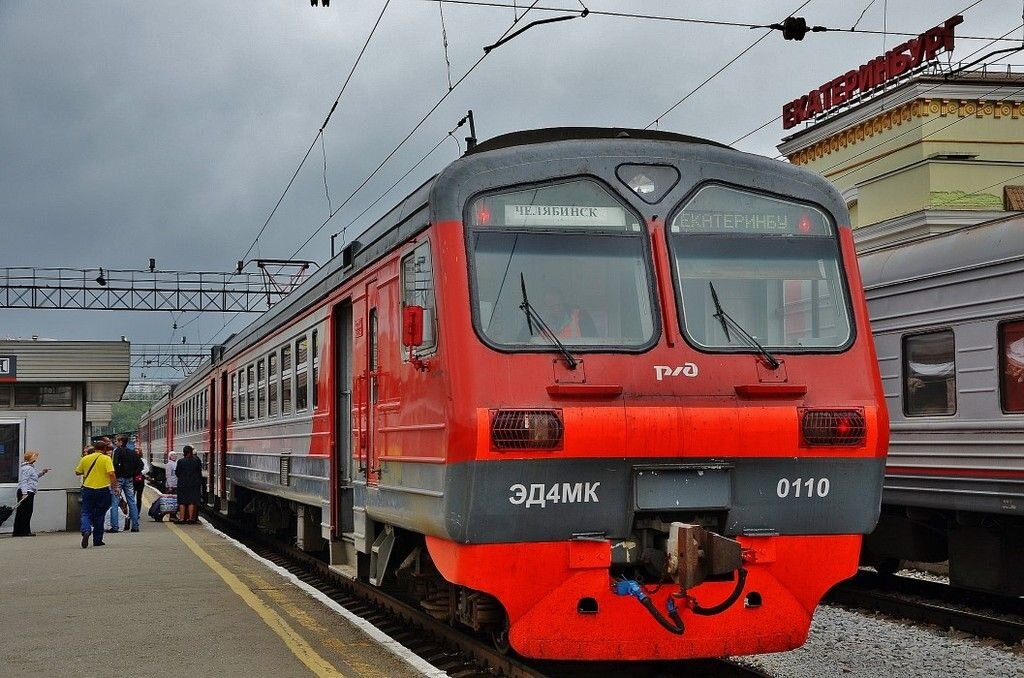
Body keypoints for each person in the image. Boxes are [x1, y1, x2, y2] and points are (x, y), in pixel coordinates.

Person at [75, 444, 119, 548]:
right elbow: (111, 473)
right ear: (104, 449)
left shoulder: (85, 458)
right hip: (103, 490)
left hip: (88, 489)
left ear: (94, 449)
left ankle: (86, 530)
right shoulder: (106, 459)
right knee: (100, 514)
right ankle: (97, 540)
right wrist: (115, 486)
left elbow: (77, 472)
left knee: (85, 512)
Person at [13, 451, 49, 537]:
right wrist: (24, 493)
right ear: (30, 458)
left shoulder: (29, 467)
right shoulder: (28, 468)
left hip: (27, 491)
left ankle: (19, 531)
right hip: (27, 492)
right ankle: (24, 531)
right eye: (34, 457)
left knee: (22, 512)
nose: (36, 459)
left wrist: (42, 473)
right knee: (26, 512)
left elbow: (33, 477)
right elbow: (24, 481)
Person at [111, 434, 141, 532]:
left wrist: (116, 477)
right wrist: (133, 473)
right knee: (132, 502)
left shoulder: (117, 451)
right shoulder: (132, 452)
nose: (115, 442)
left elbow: (114, 465)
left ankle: (115, 527)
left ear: (121, 442)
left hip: (118, 479)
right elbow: (140, 465)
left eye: (117, 441)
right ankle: (135, 526)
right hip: (129, 479)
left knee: (115, 503)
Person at [174, 446, 203, 524]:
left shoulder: (180, 461)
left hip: (183, 484)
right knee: (192, 501)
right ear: (191, 452)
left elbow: (177, 473)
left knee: (182, 502)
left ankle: (182, 519)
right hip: (194, 484)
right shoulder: (197, 461)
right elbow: (199, 472)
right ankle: (191, 519)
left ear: (184, 452)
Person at [133, 447, 146, 515]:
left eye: (137, 452)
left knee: (139, 497)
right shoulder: (131, 460)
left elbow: (146, 469)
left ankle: (138, 512)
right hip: (132, 480)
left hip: (140, 480)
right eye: (135, 452)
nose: (136, 453)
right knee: (131, 497)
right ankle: (132, 512)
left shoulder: (143, 460)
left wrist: (140, 473)